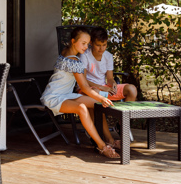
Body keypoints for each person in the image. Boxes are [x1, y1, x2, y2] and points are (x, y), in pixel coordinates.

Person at [40, 27, 121, 159]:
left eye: (87, 44)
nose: (86, 47)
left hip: (66, 95)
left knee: (97, 105)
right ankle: (102, 146)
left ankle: (109, 140)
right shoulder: (74, 62)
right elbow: (84, 87)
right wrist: (101, 97)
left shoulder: (66, 51)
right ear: (73, 41)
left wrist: (99, 100)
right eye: (83, 43)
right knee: (82, 108)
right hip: (54, 97)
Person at [80, 27, 138, 104]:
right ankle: (103, 114)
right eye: (98, 45)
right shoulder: (84, 55)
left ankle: (124, 116)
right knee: (95, 93)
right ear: (91, 43)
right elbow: (82, 80)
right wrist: (101, 88)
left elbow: (109, 78)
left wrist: (113, 83)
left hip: (104, 89)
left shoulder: (108, 56)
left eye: (104, 45)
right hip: (89, 89)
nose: (101, 48)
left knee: (132, 89)